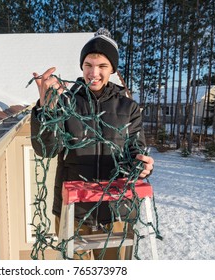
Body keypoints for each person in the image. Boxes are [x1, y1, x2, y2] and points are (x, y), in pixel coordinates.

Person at [30, 28, 154, 260]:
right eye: (88, 64)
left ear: (113, 70)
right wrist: (45, 109)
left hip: (117, 211)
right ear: (82, 66)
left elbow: (135, 149)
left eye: (102, 66)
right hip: (73, 212)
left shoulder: (129, 109)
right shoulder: (66, 102)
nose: (93, 72)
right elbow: (46, 149)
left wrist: (143, 165)